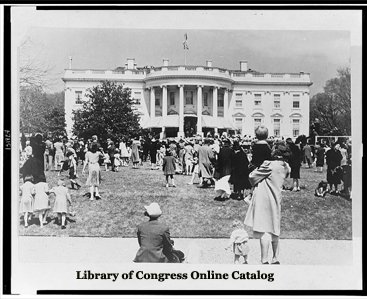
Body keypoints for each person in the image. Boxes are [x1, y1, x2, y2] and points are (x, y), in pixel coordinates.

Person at [244, 142, 291, 264]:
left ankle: (264, 259)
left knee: (265, 229)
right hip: (276, 197)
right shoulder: (285, 166)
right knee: (275, 228)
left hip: (264, 199)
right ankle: (275, 257)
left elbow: (252, 177)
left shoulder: (268, 165)